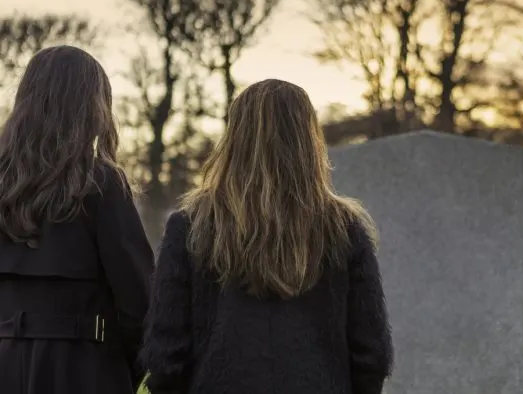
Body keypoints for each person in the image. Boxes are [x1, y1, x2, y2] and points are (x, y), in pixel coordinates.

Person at [142, 79, 394, 394]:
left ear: (233, 140)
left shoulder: (192, 226)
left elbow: (166, 356)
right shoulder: (344, 228)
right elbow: (372, 354)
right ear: (308, 140)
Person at [0, 46, 154, 394]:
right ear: (93, 109)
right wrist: (126, 367)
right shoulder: (102, 184)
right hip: (84, 368)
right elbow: (138, 302)